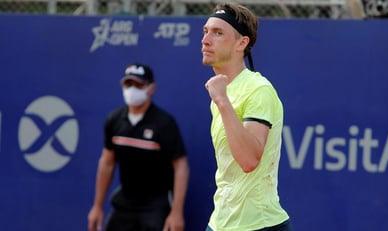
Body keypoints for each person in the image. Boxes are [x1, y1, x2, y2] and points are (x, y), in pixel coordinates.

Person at [201, 3, 292, 231]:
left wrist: (222, 101)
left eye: (218, 33)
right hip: (220, 223)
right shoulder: (224, 89)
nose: (206, 40)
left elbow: (249, 160)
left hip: (259, 225)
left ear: (242, 43)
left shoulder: (258, 90)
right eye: (206, 31)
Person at [88, 63, 189, 231]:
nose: (132, 89)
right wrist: (97, 206)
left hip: (157, 205)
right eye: (128, 84)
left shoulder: (164, 123)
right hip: (125, 202)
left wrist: (176, 212)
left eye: (139, 84)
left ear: (151, 88)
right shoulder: (114, 120)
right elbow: (107, 163)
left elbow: (181, 167)